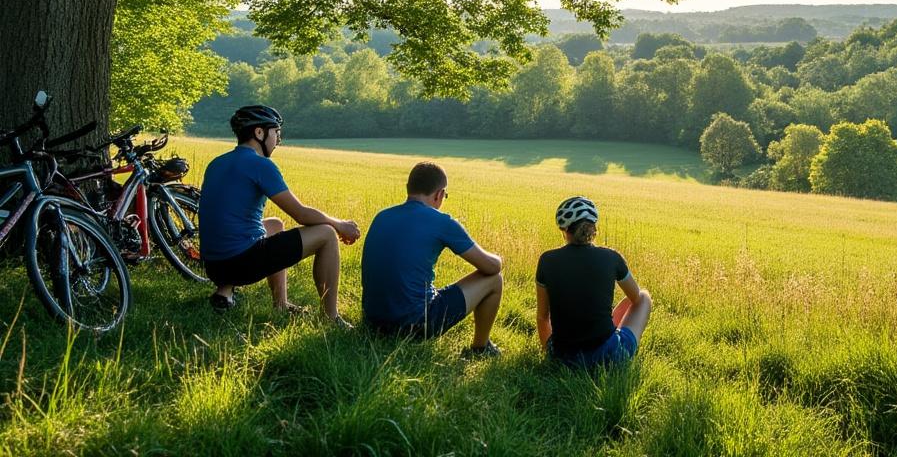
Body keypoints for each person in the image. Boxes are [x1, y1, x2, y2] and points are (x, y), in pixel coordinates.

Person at [198, 105, 361, 325]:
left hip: (214, 265)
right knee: (327, 234)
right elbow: (301, 214)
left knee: (274, 224)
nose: (278, 139)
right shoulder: (260, 165)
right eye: (276, 132)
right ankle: (331, 317)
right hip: (239, 263)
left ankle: (272, 302)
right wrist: (339, 224)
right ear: (259, 133)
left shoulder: (217, 163)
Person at [361, 162, 504, 357]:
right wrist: (498, 258)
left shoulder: (382, 216)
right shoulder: (443, 222)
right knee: (495, 280)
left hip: (372, 320)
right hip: (415, 324)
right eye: (444, 196)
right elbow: (491, 267)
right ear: (439, 194)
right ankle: (481, 347)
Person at [535, 196, 652, 367]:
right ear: (593, 228)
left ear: (564, 230)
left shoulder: (547, 260)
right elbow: (635, 298)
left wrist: (551, 355)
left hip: (564, 357)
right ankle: (611, 337)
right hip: (608, 357)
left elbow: (543, 317)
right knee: (644, 296)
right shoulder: (612, 257)